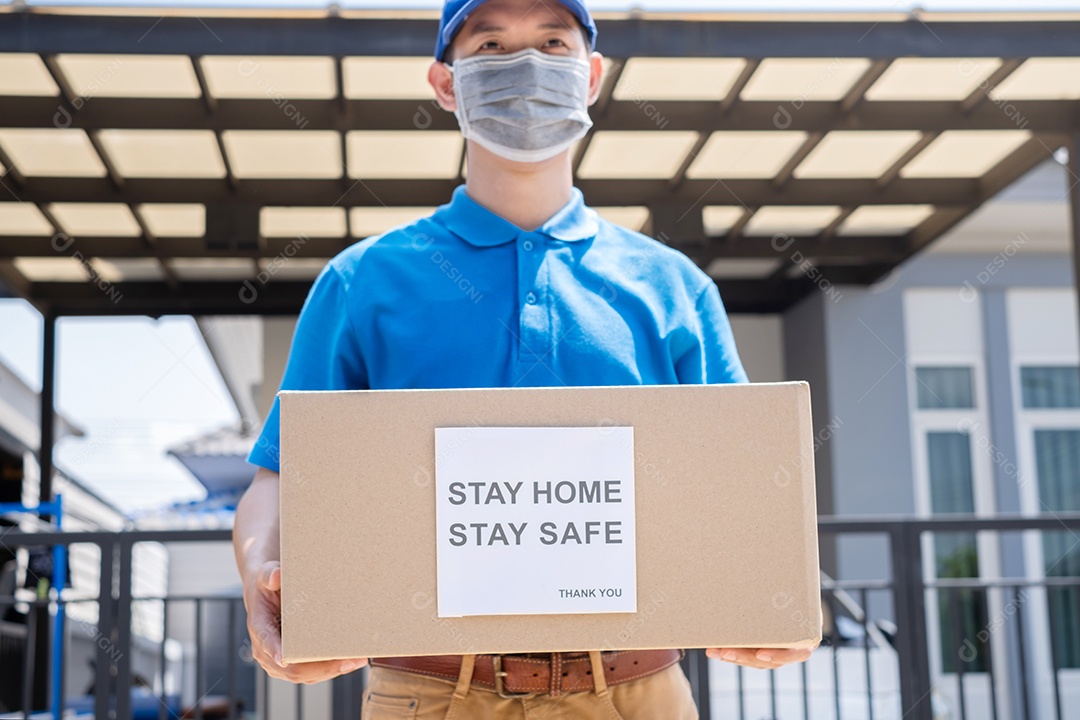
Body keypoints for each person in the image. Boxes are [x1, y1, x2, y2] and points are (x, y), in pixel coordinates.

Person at [233, 0, 818, 717]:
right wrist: (260, 574)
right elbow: (281, 477)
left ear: (592, 75)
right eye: (490, 47)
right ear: (446, 84)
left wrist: (776, 587)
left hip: (637, 692)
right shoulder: (363, 282)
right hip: (428, 692)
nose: (526, 67)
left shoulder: (673, 286)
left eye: (551, 41)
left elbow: (746, 486)